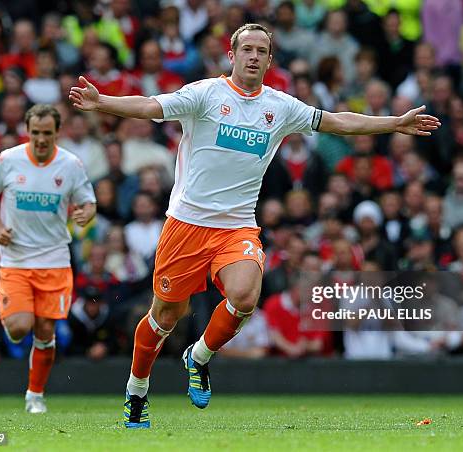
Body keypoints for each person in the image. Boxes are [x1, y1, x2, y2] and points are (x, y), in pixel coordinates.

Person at [69, 23, 440, 429]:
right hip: (187, 224)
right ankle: (137, 390)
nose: (252, 56)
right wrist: (101, 101)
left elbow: (337, 121)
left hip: (237, 226)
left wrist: (393, 123)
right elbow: (150, 107)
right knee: (164, 317)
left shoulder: (280, 106)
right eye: (246, 48)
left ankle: (200, 356)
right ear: (231, 55)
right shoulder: (205, 93)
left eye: (261, 51)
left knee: (245, 296)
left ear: (268, 59)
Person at [0, 104, 96, 414]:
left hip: (54, 260)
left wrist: (86, 213)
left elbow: (89, 202)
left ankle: (35, 395)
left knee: (45, 331)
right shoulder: (8, 160)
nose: (41, 139)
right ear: (27, 131)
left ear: (57, 132)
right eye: (35, 133)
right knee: (19, 328)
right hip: (16, 260)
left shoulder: (71, 165)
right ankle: (15, 315)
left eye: (47, 133)